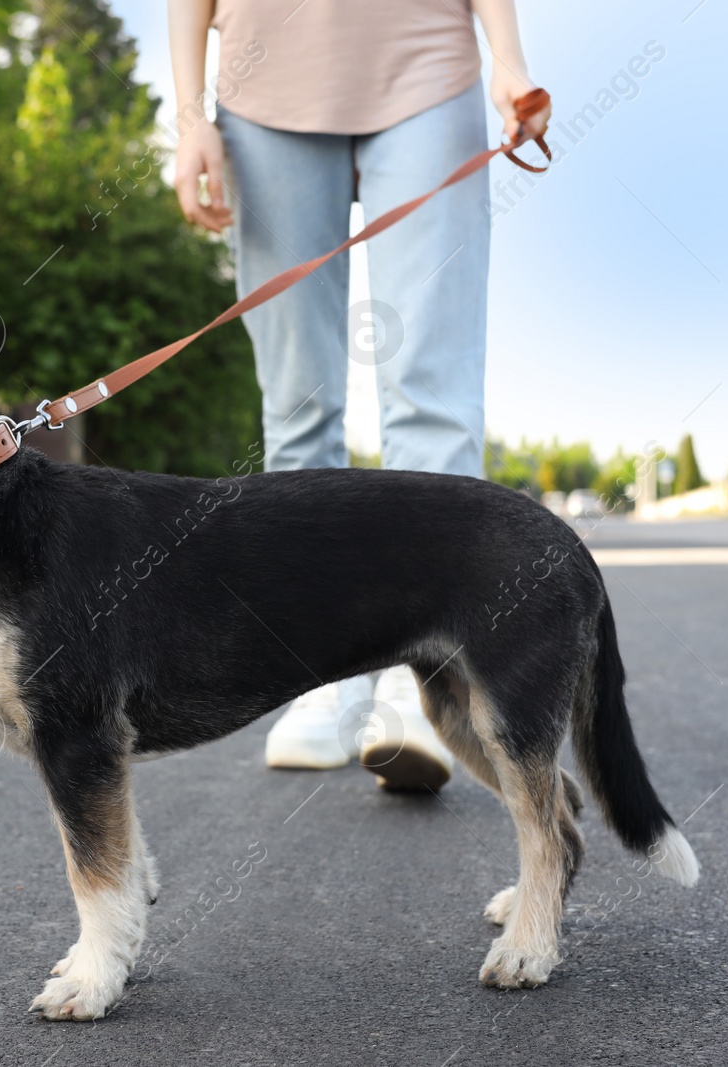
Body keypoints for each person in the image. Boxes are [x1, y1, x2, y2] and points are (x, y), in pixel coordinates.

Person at [168, 0, 549, 790]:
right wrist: (189, 114)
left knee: (431, 396)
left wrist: (508, 61)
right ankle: (316, 679)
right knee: (298, 408)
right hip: (262, 85)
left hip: (426, 66)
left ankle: (428, 686)